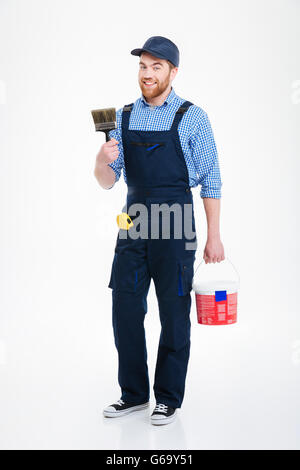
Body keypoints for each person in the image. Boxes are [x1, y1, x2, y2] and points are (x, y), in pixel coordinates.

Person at [94, 36, 225, 426]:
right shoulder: (123, 115)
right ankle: (133, 394)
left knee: (174, 313)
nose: (148, 73)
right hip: (131, 224)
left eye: (156, 66)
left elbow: (212, 180)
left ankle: (167, 397)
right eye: (143, 66)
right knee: (125, 310)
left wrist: (214, 235)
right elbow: (106, 181)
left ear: (173, 72)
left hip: (177, 224)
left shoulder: (193, 116)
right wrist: (102, 159)